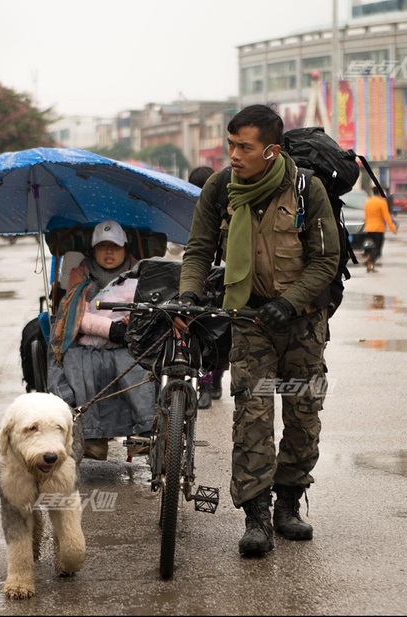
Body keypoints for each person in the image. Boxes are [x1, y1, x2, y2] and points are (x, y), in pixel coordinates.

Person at [177, 104, 340, 557]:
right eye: (230, 144)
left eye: (243, 147)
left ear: (270, 150)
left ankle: (288, 504)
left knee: (303, 415)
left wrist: (289, 303)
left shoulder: (308, 189)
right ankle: (257, 518)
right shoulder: (219, 188)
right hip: (248, 321)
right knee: (252, 416)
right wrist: (190, 293)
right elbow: (198, 249)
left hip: (303, 321)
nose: (233, 155)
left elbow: (326, 260)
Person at [47, 220, 156, 461]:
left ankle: (144, 430)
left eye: (114, 246)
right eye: (103, 246)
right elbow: (73, 315)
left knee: (135, 364)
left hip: (130, 341)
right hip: (88, 339)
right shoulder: (80, 273)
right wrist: (110, 328)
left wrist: (130, 323)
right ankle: (92, 437)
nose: (109, 252)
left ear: (125, 248)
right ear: (93, 249)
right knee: (78, 362)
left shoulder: (143, 273)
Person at [188, 165, 226, 409]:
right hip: (196, 283)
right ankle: (206, 382)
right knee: (202, 337)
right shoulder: (190, 210)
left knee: (217, 337)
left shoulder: (222, 210)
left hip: (218, 282)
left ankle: (214, 380)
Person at [363, 186, 398, 272]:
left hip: (369, 228)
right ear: (379, 193)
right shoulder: (382, 202)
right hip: (378, 229)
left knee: (373, 248)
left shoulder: (368, 202)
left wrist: (366, 227)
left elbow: (366, 216)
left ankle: (371, 265)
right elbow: (386, 217)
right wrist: (393, 229)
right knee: (378, 250)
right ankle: (370, 261)